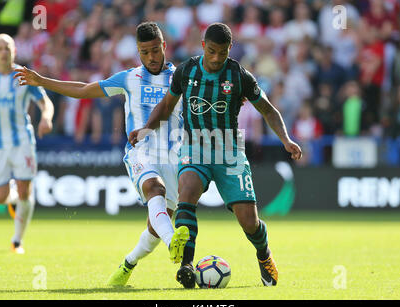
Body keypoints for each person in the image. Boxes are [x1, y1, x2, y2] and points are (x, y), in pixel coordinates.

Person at [14, 22, 189, 287]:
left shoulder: (182, 78)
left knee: (154, 229)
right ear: (137, 52)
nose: (151, 57)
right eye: (145, 52)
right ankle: (172, 242)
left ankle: (128, 263)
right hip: (141, 152)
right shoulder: (129, 77)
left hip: (173, 159)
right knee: (154, 188)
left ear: (164, 46)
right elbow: (84, 90)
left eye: (155, 50)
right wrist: (42, 81)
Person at [129, 23, 303, 288]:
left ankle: (263, 254)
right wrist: (145, 129)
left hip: (229, 151)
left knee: (249, 222)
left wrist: (286, 139)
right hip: (194, 146)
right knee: (186, 193)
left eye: (221, 52)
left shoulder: (239, 76)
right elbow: (166, 106)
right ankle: (187, 265)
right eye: (211, 51)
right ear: (203, 46)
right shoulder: (186, 71)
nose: (215, 58)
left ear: (229, 49)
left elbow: (267, 110)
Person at [0, 33, 54, 254]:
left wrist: (46, 117)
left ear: (14, 51)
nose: (4, 52)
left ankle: (17, 240)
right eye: (0, 48)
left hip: (22, 140)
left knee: (26, 191)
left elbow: (46, 103)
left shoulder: (24, 76)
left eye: (8, 48)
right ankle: (13, 193)